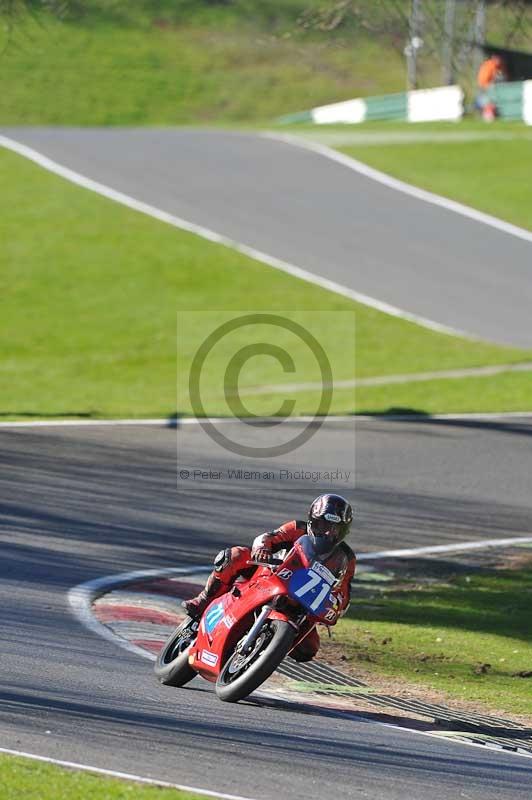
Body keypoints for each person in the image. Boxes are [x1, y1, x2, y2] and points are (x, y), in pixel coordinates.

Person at [182, 493, 356, 662]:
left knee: (308, 649)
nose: (327, 533)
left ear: (343, 532)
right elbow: (268, 537)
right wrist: (263, 549)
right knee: (234, 556)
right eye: (322, 525)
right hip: (269, 575)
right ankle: (204, 599)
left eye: (334, 529)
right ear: (312, 520)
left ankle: (266, 651)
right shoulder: (297, 528)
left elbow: (344, 593)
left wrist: (337, 604)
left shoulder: (346, 558)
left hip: (301, 603)